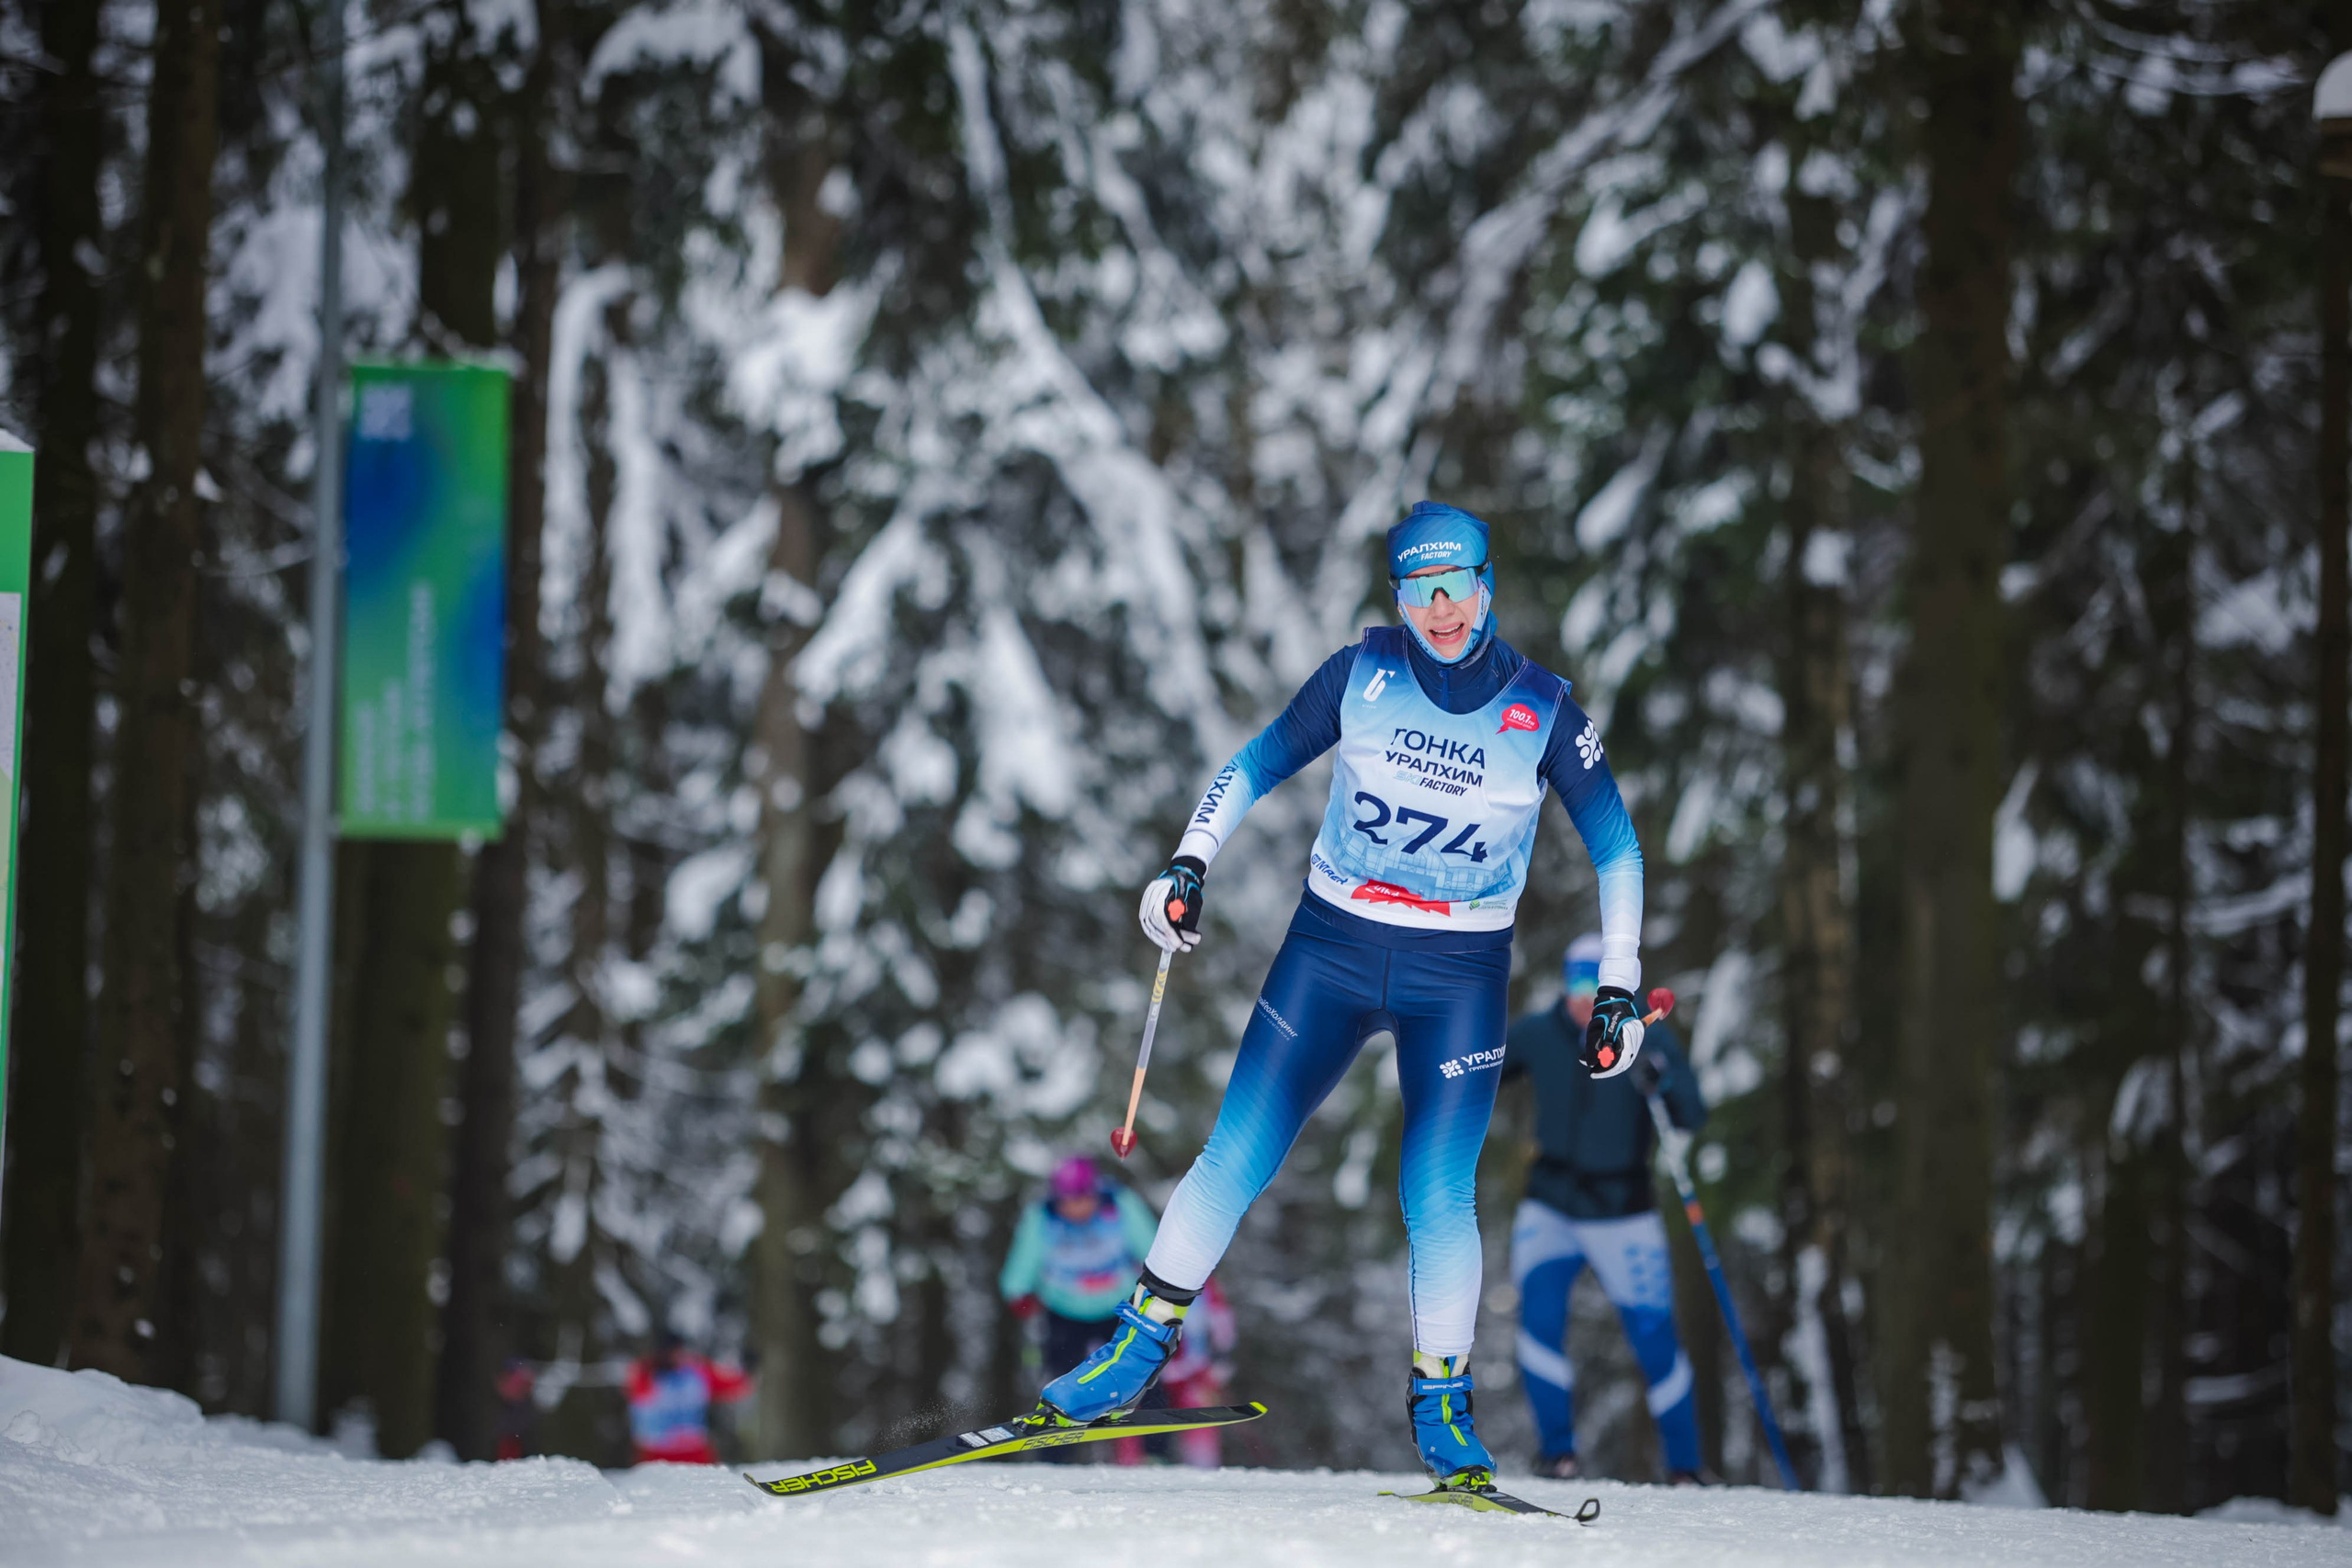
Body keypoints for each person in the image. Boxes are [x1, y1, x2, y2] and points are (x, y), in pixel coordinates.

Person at [1038, 502, 1648, 1494]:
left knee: (1438, 1196)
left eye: (1457, 586)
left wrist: (1616, 986)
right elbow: (1252, 765)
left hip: (1458, 974)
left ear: (1487, 585)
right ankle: (1134, 1352)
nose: (1441, 608)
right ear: (1398, 595)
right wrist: (1187, 864)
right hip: (1330, 948)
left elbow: (1616, 848)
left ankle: (1442, 1405)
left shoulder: (1542, 711)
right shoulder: (1361, 674)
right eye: (1420, 588)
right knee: (1235, 1151)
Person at [1504, 932, 1707, 1483]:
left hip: (1623, 1211)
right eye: (1576, 982)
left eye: (1597, 985)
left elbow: (1692, 1113)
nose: (1584, 997)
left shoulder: (1647, 1036)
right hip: (1550, 1205)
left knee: (1654, 1336)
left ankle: (1685, 1467)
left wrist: (1660, 1079)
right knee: (1538, 1321)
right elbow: (1484, 1068)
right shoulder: (1541, 1033)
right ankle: (1558, 1454)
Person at [625, 1329, 752, 1465]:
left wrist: (748, 1370)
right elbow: (636, 1393)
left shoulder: (697, 1371)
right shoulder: (645, 1372)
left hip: (695, 1450)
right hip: (655, 1452)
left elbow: (729, 1386)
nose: (675, 1356)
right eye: (670, 1352)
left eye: (679, 1351)